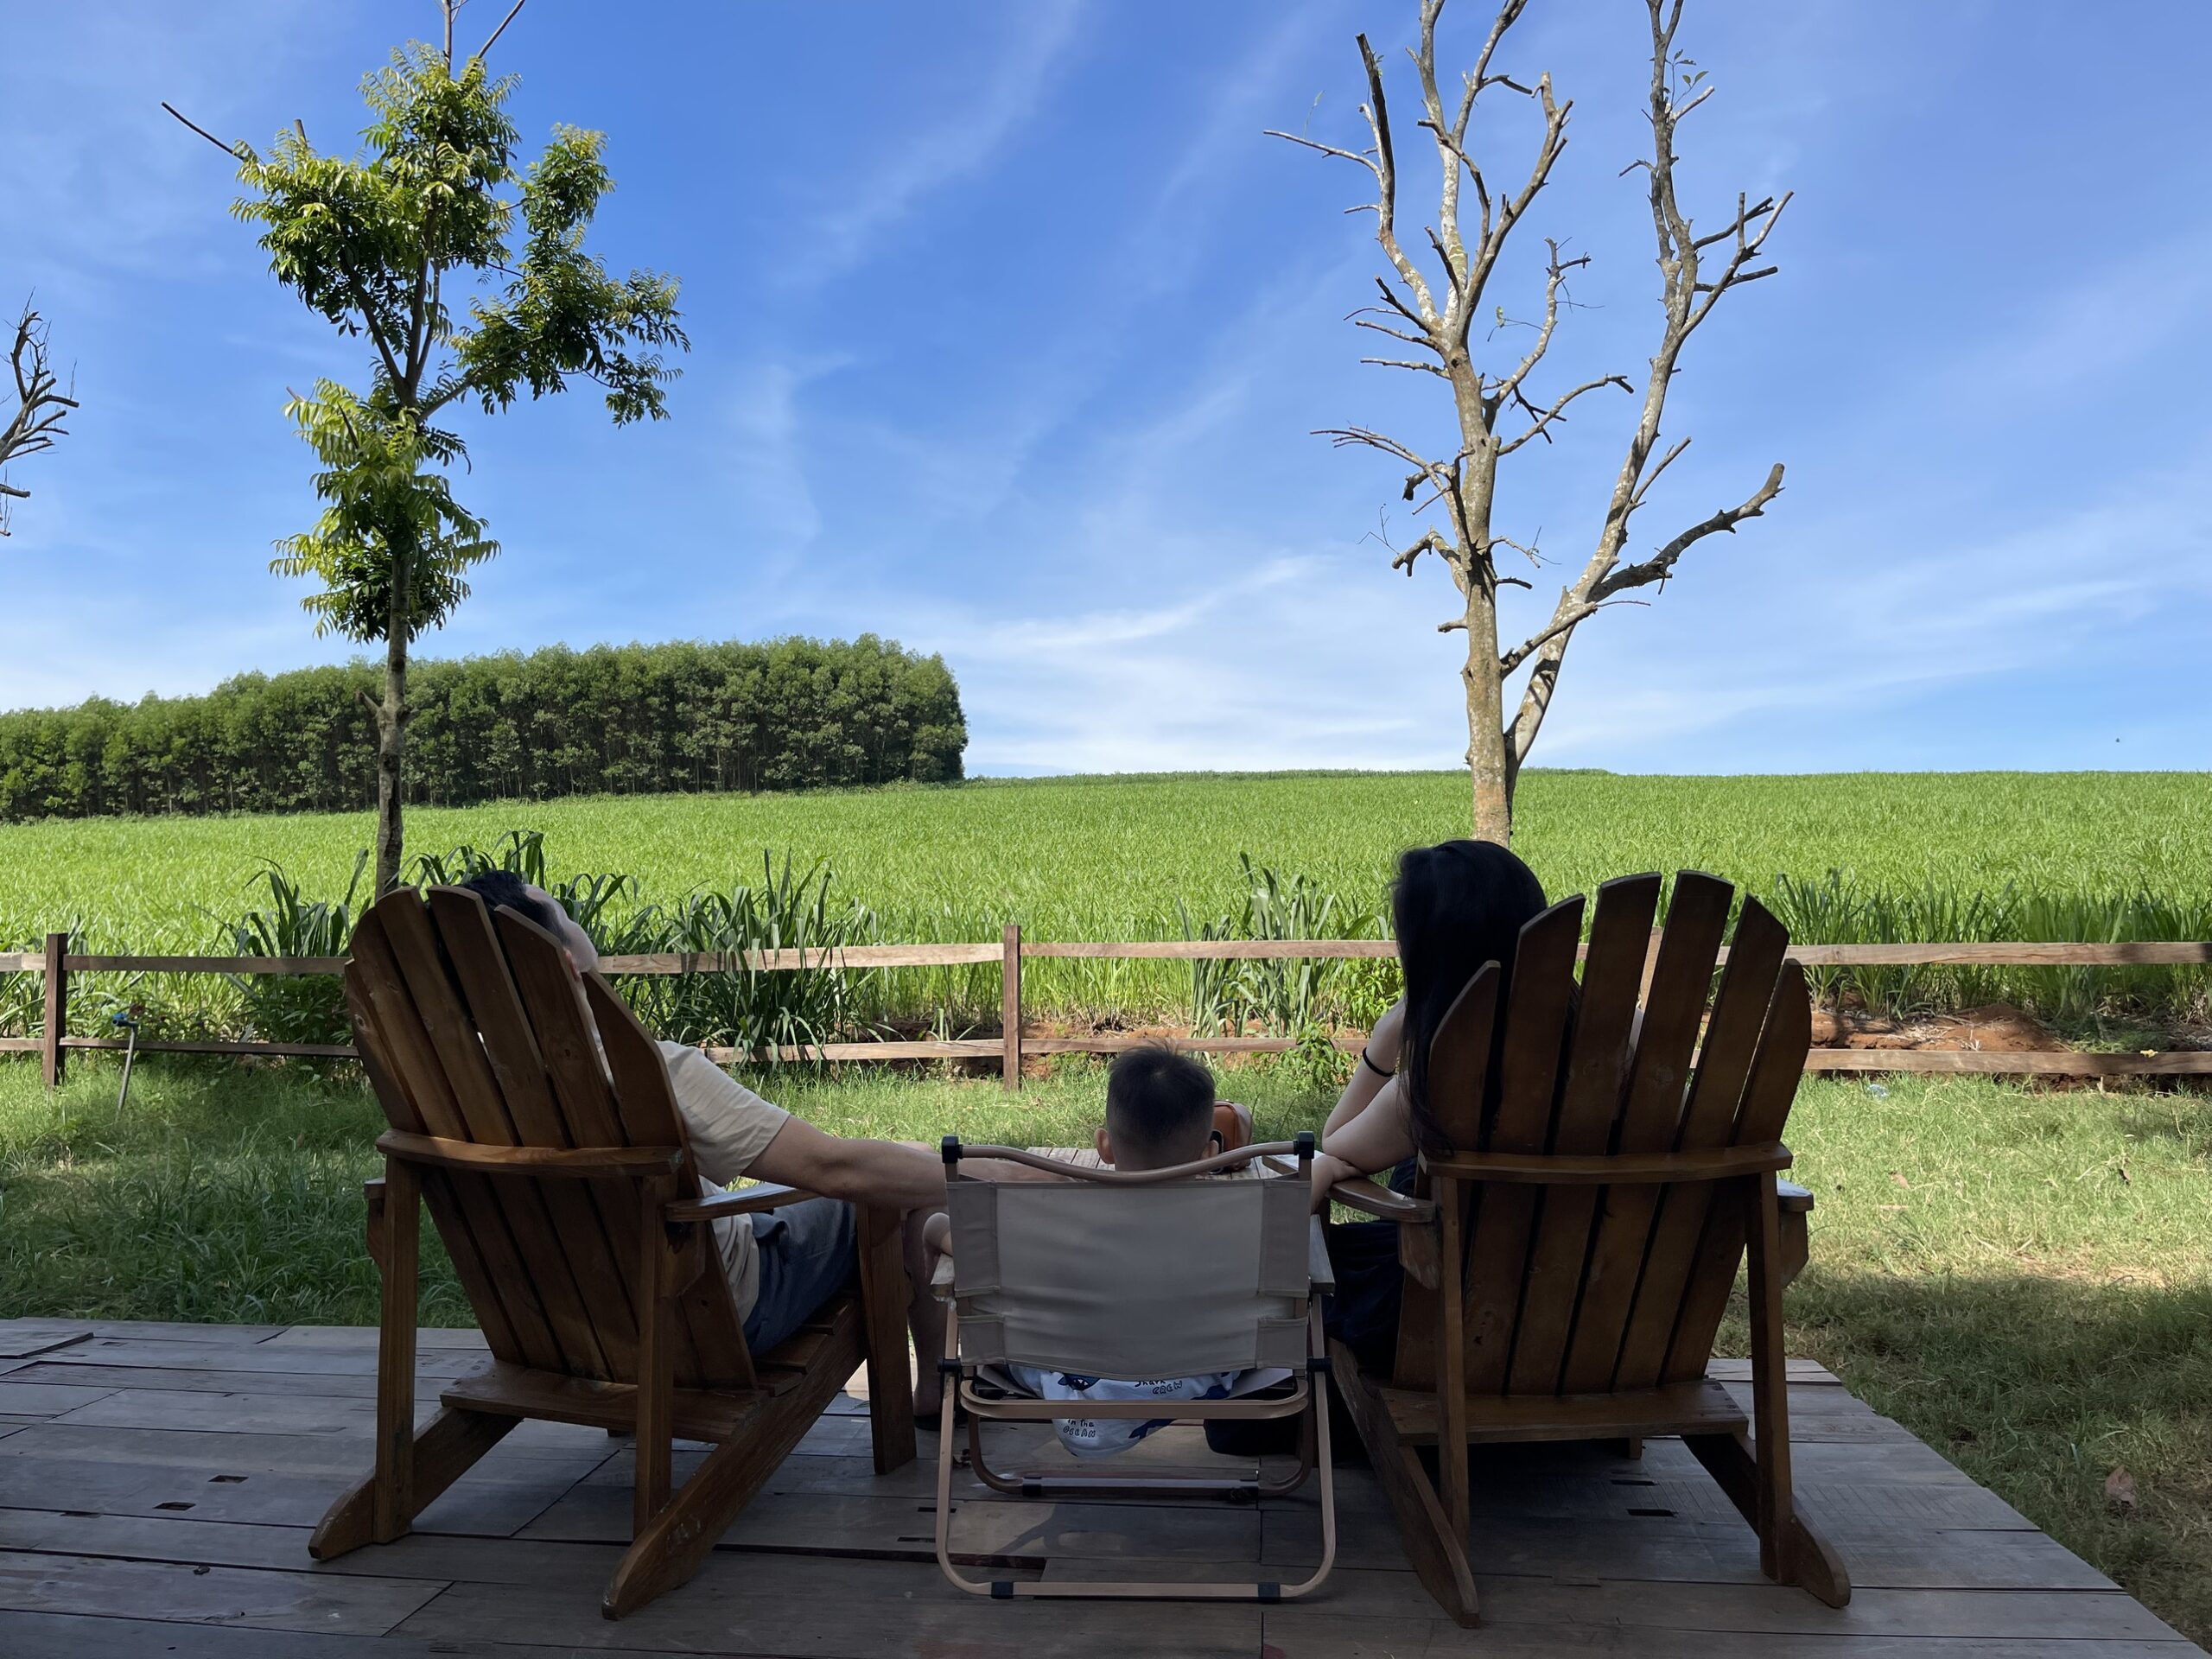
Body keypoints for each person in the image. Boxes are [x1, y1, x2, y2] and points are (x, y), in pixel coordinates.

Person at [456, 873, 954, 1408]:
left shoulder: (460, 1082)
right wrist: (987, 1175)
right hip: (702, 1315)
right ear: (564, 961)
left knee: (904, 1168)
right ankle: (936, 1389)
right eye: (564, 911)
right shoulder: (647, 1071)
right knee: (911, 1177)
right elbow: (832, 1168)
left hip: (563, 1324)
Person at [942, 1044, 1287, 1459]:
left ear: (1104, 1146)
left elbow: (968, 1248)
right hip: (1191, 1374)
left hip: (1072, 1386)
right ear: (1210, 1153)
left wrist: (938, 1232)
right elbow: (1292, 1224)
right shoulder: (1237, 1226)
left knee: (949, 1241)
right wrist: (1327, 1170)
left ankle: (932, 1391)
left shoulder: (1062, 1226)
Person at [1309, 840, 1548, 1374]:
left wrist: (1385, 1038)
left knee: (1313, 1272)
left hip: (1452, 1321)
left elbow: (1336, 1139)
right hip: (1584, 1312)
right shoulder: (1619, 1046)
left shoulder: (1437, 1088)